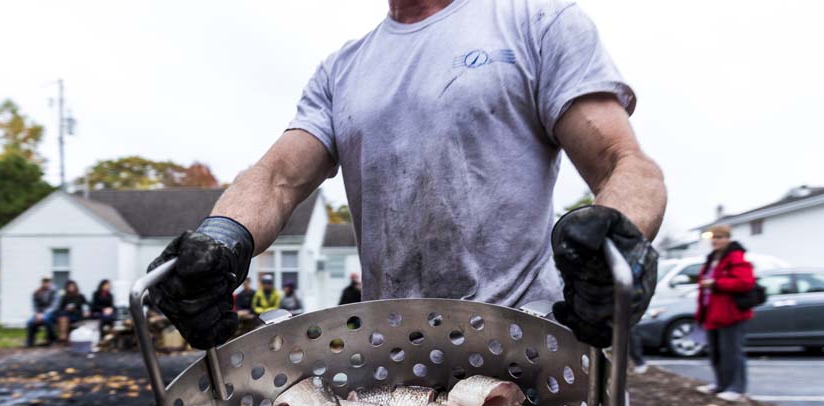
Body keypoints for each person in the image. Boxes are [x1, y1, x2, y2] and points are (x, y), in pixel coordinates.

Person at [147, 0, 666, 357]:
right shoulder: (342, 71)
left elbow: (624, 161)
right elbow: (277, 176)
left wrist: (615, 241)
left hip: (527, 344)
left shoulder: (535, 20)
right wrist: (219, 241)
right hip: (394, 357)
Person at [695, 225, 755, 401]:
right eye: (714, 237)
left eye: (720, 237)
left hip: (730, 314)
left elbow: (745, 282)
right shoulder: (712, 258)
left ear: (728, 238)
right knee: (716, 352)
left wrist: (716, 284)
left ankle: (736, 388)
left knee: (732, 352)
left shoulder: (736, 257)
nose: (715, 241)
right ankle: (721, 384)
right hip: (711, 313)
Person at [26, 277, 57, 346]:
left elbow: (54, 306)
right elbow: (34, 305)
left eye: (47, 282)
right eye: (44, 282)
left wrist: (44, 314)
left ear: (50, 283)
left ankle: (50, 339)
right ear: (42, 283)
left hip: (50, 313)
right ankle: (30, 341)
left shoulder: (54, 292)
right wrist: (37, 314)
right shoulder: (37, 292)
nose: (46, 283)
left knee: (47, 320)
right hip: (38, 313)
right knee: (30, 322)